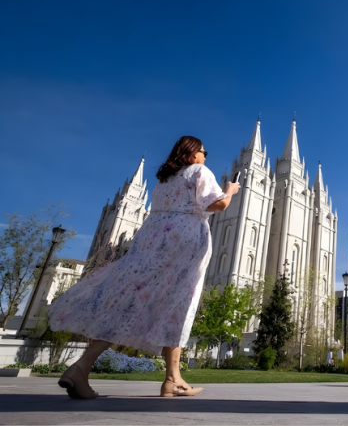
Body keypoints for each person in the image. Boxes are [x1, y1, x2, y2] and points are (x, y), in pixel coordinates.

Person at [49, 136, 240, 398]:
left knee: (138, 302)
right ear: (191, 153)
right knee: (177, 304)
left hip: (151, 240)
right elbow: (217, 204)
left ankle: (172, 378)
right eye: (203, 152)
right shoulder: (199, 171)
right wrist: (230, 190)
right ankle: (81, 367)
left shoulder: (164, 181)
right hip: (181, 246)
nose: (205, 157)